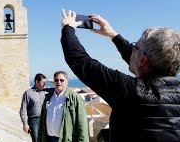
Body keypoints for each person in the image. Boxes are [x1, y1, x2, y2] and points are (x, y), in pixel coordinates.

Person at [60, 9, 180, 142]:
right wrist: (112, 34)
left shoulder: (132, 91)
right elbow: (138, 60)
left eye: (135, 47)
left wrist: (68, 28)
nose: (132, 49)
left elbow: (81, 61)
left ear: (143, 60)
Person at [38, 71, 88, 142]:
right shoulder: (48, 97)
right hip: (48, 139)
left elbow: (82, 123)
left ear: (67, 81)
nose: (59, 82)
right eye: (56, 80)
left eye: (61, 80)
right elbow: (41, 121)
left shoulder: (75, 98)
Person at [19, 73, 50, 142]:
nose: (44, 84)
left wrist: (54, 82)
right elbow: (23, 110)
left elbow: (60, 89)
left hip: (46, 120)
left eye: (45, 82)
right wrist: (25, 124)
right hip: (34, 121)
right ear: (36, 82)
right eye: (42, 82)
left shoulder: (47, 91)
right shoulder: (28, 93)